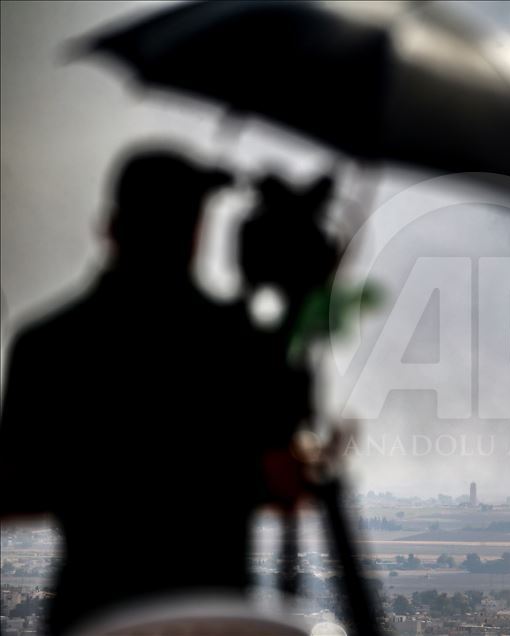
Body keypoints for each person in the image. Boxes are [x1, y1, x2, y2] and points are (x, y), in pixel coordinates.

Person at [0, 144, 305, 635]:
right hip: (214, 619)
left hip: (94, 615)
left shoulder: (46, 344)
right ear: (197, 235)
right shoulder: (243, 349)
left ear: (112, 229)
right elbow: (285, 485)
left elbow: (17, 490)